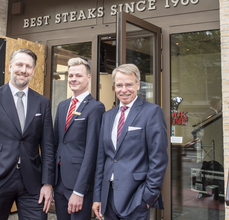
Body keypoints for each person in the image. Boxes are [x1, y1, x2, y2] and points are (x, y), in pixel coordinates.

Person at [0, 49, 54, 220]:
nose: (23, 70)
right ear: (10, 67)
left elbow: (48, 146)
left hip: (33, 182)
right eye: (19, 65)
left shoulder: (42, 102)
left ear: (33, 71)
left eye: (28, 66)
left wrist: (48, 183)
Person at [92, 64, 168, 220]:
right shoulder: (108, 116)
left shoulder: (152, 112)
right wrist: (98, 196)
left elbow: (158, 158)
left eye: (129, 84)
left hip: (136, 198)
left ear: (138, 85)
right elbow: (102, 159)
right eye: (119, 85)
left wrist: (148, 196)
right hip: (108, 197)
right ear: (114, 87)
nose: (124, 89)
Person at [54, 58, 105, 220]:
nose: (73, 79)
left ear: (88, 78)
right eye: (70, 75)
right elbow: (56, 144)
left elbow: (92, 152)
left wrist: (79, 190)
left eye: (78, 75)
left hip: (78, 184)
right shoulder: (62, 105)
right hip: (59, 181)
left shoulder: (96, 108)